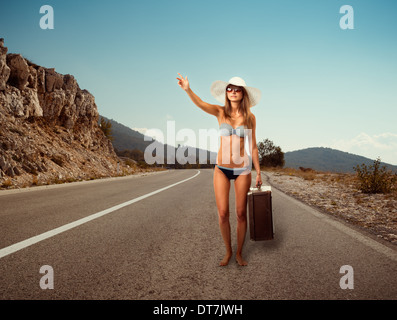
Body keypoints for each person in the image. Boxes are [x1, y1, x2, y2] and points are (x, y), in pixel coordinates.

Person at [176, 74, 262, 266]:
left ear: (243, 94)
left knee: (241, 214)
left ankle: (239, 253)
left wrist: (258, 172)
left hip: (243, 170)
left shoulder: (250, 118)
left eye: (237, 89)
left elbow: (253, 146)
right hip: (221, 169)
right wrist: (188, 89)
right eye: (229, 89)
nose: (232, 92)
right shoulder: (220, 112)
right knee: (223, 213)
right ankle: (228, 252)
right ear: (226, 92)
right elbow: (200, 103)